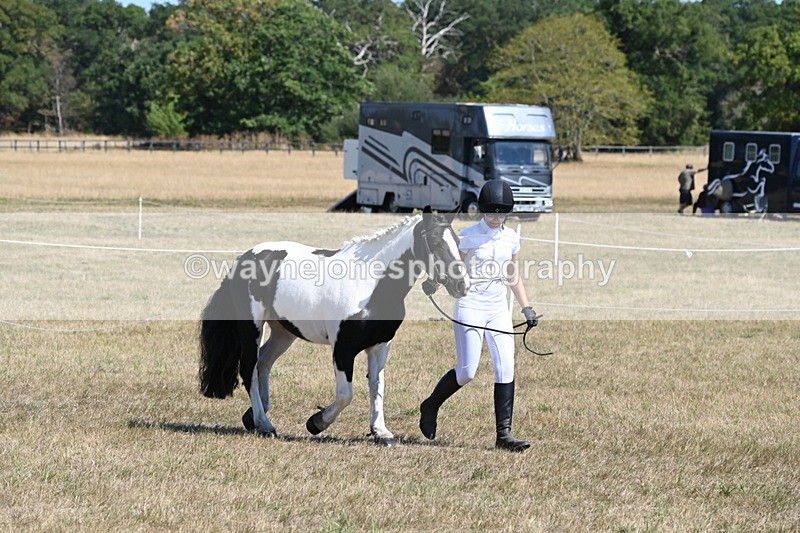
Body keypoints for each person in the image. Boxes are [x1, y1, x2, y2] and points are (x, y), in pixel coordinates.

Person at [419, 180, 538, 452]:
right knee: (467, 372)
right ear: (483, 210)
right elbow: (452, 266)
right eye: (492, 213)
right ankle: (431, 404)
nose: (496, 218)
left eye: (501, 213)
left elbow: (512, 274)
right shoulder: (469, 235)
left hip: (498, 308)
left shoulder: (512, 238)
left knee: (505, 366)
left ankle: (503, 435)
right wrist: (435, 282)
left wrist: (526, 307)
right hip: (470, 304)